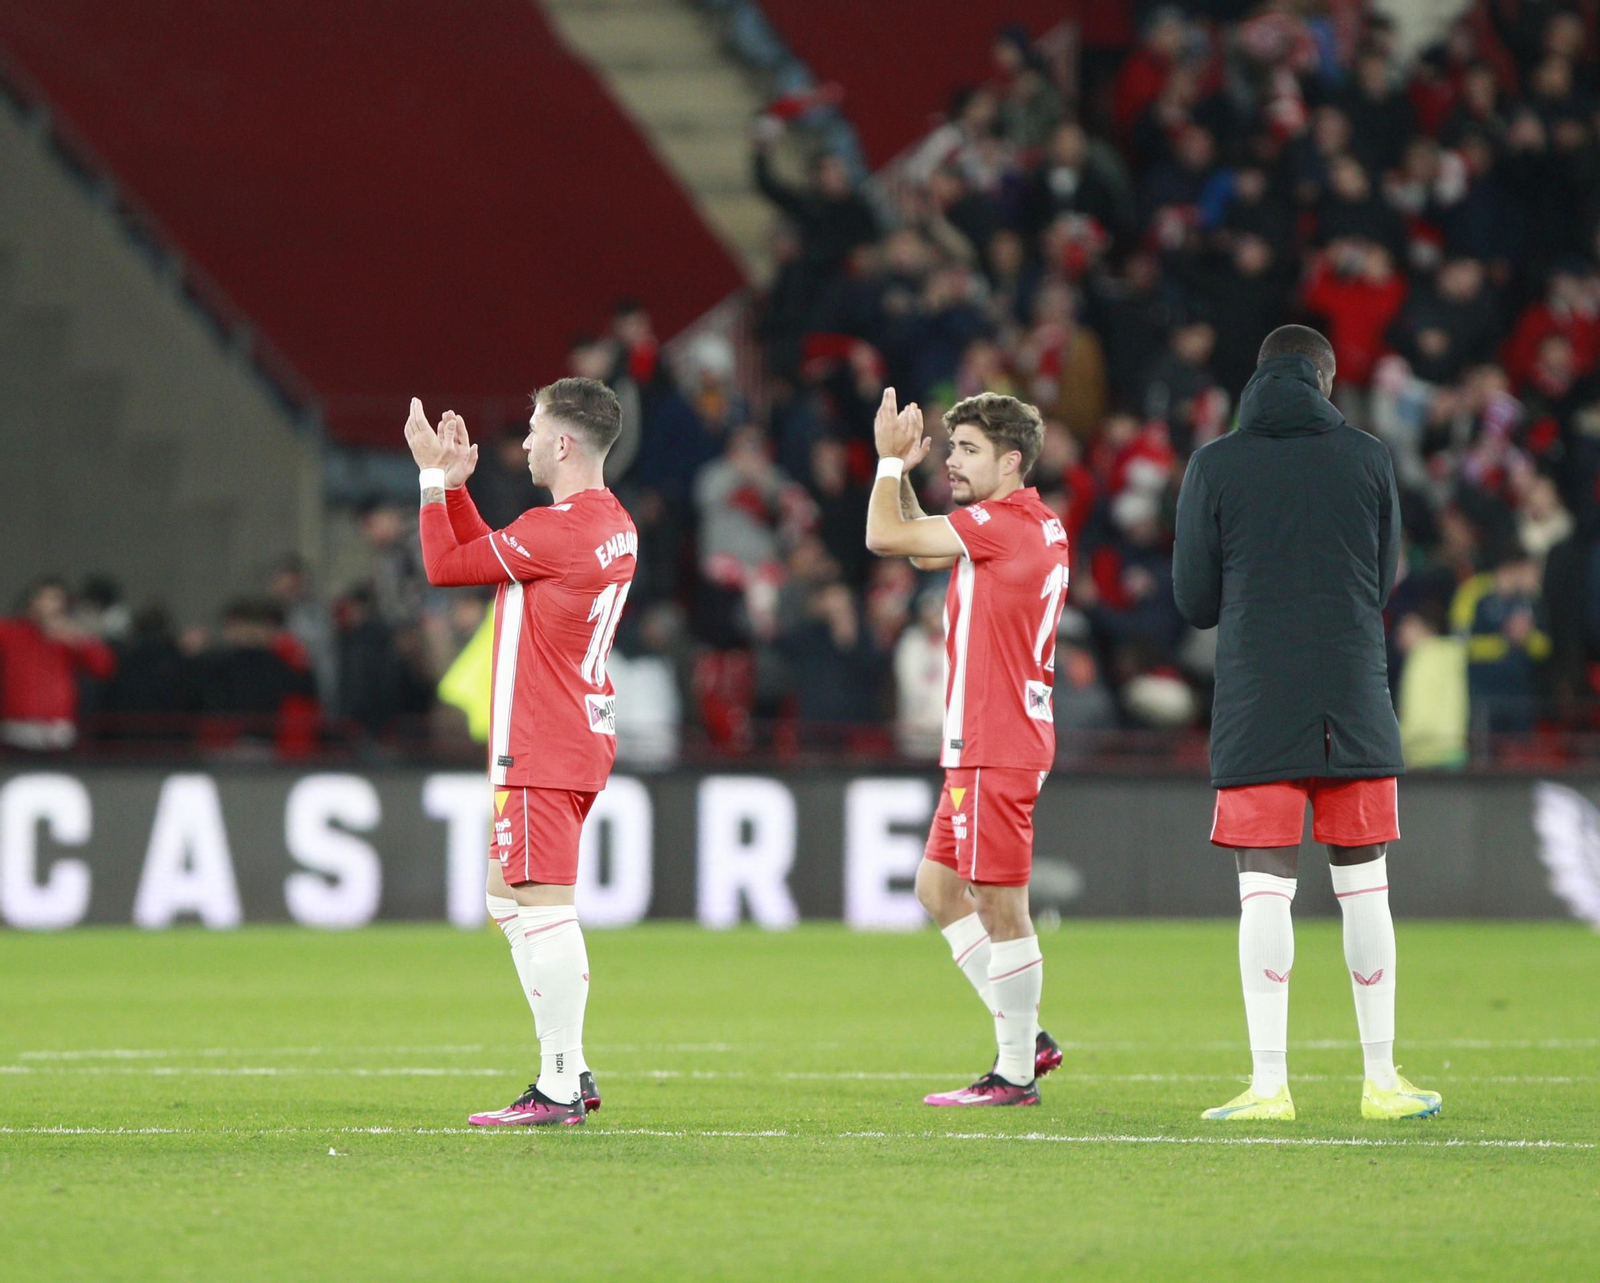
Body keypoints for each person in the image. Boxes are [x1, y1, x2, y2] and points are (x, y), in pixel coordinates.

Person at [1173, 325, 1442, 1122]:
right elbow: (1384, 579)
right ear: (1325, 380)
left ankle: (1268, 1085)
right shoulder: (1368, 457)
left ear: (1257, 377)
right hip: (1353, 689)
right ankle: (1383, 1081)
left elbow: (1193, 601)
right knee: (1366, 890)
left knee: (1265, 891)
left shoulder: (1215, 463)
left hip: (1259, 698)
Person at [404, 378, 637, 1128]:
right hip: (572, 729)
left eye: (535, 429)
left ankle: (561, 1080)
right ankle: (567, 1063)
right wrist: (460, 490)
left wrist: (432, 480)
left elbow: (447, 567)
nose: (526, 442)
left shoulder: (557, 530)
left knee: (542, 906)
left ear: (565, 442)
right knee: (506, 900)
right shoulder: (608, 522)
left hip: (541, 739)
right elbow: (490, 555)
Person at [864, 390, 1071, 1107]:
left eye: (969, 450)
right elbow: (925, 551)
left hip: (995, 739)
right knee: (939, 888)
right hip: (992, 737)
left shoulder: (1004, 524)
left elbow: (887, 540)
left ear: (1011, 461)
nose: (952, 461)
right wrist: (914, 488)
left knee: (998, 904)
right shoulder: (1027, 524)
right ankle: (1030, 1035)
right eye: (952, 448)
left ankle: (1015, 1069)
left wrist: (891, 463)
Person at [0, 577, 116, 751]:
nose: (48, 606)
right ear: (31, 601)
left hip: (57, 733)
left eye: (55, 599)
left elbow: (103, 667)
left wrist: (78, 639)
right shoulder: (10, 633)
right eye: (43, 598)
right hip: (17, 730)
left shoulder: (69, 638)